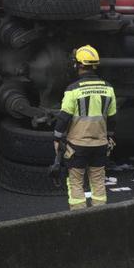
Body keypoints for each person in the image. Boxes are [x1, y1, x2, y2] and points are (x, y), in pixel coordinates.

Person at [51, 45, 117, 210]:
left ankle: (79, 218)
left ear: (78, 65)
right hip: (100, 145)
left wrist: (57, 138)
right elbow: (113, 118)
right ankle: (99, 216)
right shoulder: (108, 88)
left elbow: (64, 118)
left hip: (77, 146)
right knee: (98, 183)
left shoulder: (73, 90)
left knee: (75, 183)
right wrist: (109, 137)